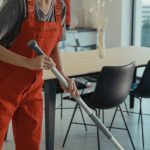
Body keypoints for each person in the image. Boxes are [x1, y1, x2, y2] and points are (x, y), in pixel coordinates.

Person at [0, 0, 78, 149]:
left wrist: (62, 76)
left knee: (30, 145)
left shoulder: (59, 7)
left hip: (33, 89)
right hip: (4, 86)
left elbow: (54, 48)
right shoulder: (17, 4)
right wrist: (28, 62)